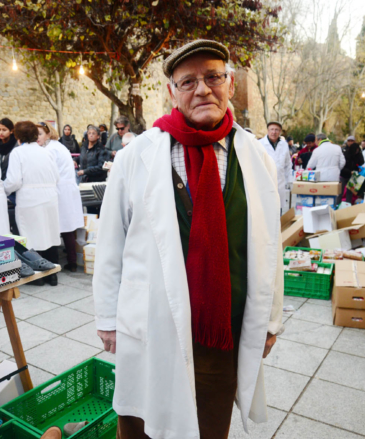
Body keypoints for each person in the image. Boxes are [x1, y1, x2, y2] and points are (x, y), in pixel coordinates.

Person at [93, 39, 283, 439]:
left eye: (213, 76)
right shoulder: (136, 156)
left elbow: (269, 246)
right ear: (171, 92)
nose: (202, 89)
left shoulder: (255, 155)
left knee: (210, 424)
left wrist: (270, 319)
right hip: (152, 321)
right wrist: (107, 318)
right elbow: (110, 242)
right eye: (188, 81)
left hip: (221, 325)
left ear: (229, 83)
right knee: (142, 420)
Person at [4, 121, 60, 286]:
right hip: (50, 197)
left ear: (18, 136)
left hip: (30, 198)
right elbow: (57, 177)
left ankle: (37, 277)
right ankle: (53, 275)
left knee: (32, 235)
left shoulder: (18, 153)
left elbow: (13, 181)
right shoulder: (46, 152)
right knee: (49, 232)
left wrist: (4, 190)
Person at [37, 122, 84, 273]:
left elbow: (49, 173)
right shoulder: (59, 146)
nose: (37, 138)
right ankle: (72, 261)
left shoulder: (50, 149)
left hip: (60, 190)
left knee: (62, 227)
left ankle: (67, 261)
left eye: (39, 134)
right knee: (67, 227)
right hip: (67, 189)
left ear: (48, 134)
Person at [259, 121, 291, 211]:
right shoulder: (260, 144)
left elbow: (288, 164)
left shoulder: (284, 145)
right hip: (265, 183)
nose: (274, 132)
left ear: (280, 132)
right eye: (272, 129)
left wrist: (289, 180)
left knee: (278, 211)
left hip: (280, 183)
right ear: (268, 131)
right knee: (266, 210)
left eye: (276, 130)